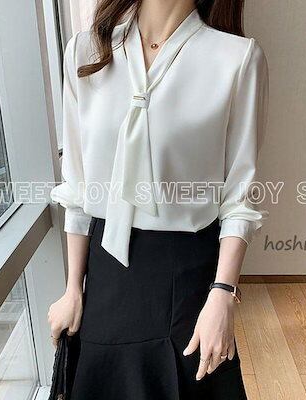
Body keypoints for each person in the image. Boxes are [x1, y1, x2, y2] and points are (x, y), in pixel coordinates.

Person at [48, 0, 269, 399]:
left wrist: (223, 293)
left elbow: (239, 198)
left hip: (187, 272)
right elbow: (78, 187)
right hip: (105, 271)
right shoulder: (86, 51)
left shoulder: (236, 59)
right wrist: (72, 288)